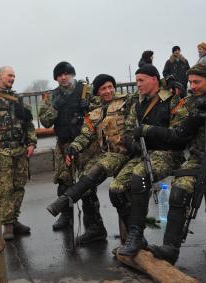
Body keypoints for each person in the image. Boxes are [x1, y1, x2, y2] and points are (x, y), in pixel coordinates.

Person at [135, 64, 206, 278]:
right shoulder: (190, 102)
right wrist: (193, 119)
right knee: (178, 190)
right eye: (190, 83)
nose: (192, 87)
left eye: (197, 82)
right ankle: (170, 249)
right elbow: (178, 135)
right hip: (199, 157)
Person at [46, 74, 132, 244]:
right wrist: (73, 147)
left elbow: (148, 94)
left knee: (114, 186)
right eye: (103, 88)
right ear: (97, 92)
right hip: (105, 154)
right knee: (85, 178)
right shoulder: (94, 111)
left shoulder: (127, 102)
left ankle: (131, 235)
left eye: (110, 87)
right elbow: (85, 134)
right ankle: (95, 228)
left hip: (125, 154)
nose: (108, 91)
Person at [110, 64, 185, 256]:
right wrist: (132, 143)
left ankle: (135, 234)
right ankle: (137, 235)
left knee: (139, 176)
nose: (138, 85)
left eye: (141, 80)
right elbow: (128, 131)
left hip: (167, 153)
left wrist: (149, 132)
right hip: (143, 153)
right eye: (136, 81)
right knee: (115, 189)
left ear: (154, 79)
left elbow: (179, 135)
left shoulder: (172, 99)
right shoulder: (138, 103)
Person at [0, 66, 37, 241]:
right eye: (9, 75)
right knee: (5, 188)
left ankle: (14, 219)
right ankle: (7, 224)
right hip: (0, 151)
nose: (12, 78)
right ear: (0, 77)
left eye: (14, 76)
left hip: (20, 150)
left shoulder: (18, 99)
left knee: (19, 186)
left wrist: (32, 142)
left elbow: (29, 124)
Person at [38, 61, 96, 231]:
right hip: (63, 145)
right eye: (59, 75)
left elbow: (99, 111)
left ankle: (93, 224)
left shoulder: (86, 90)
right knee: (64, 182)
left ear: (72, 74)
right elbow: (45, 121)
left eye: (66, 74)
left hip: (84, 144)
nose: (63, 78)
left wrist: (89, 107)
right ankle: (65, 217)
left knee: (87, 183)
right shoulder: (51, 96)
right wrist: (55, 107)